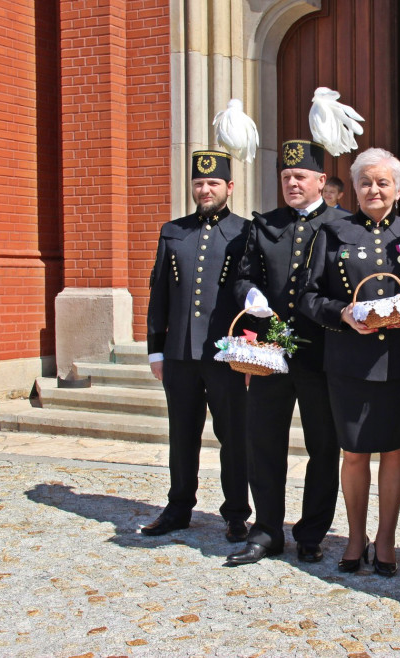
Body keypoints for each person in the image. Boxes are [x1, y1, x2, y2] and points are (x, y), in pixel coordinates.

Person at [299, 148, 400, 576]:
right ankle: (356, 537)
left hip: (399, 360)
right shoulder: (332, 232)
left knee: (394, 452)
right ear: (353, 188)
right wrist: (341, 313)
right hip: (348, 360)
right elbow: (308, 295)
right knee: (353, 452)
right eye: (365, 182)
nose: (373, 189)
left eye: (382, 182)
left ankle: (387, 538)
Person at [225, 138, 346, 566]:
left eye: (300, 177)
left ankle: (312, 532)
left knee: (323, 447)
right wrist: (251, 293)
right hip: (270, 357)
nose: (292, 184)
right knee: (264, 443)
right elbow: (241, 277)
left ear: (320, 180)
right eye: (285, 177)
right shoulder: (264, 225)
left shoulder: (342, 224)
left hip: (323, 357)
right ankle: (266, 530)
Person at [142, 149, 251, 541]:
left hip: (226, 355)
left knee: (234, 436)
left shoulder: (244, 231)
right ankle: (178, 508)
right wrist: (156, 349)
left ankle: (237, 512)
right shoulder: (174, 231)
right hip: (180, 354)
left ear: (229, 187)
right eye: (199, 184)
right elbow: (159, 295)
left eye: (213, 183)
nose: (205, 190)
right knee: (181, 434)